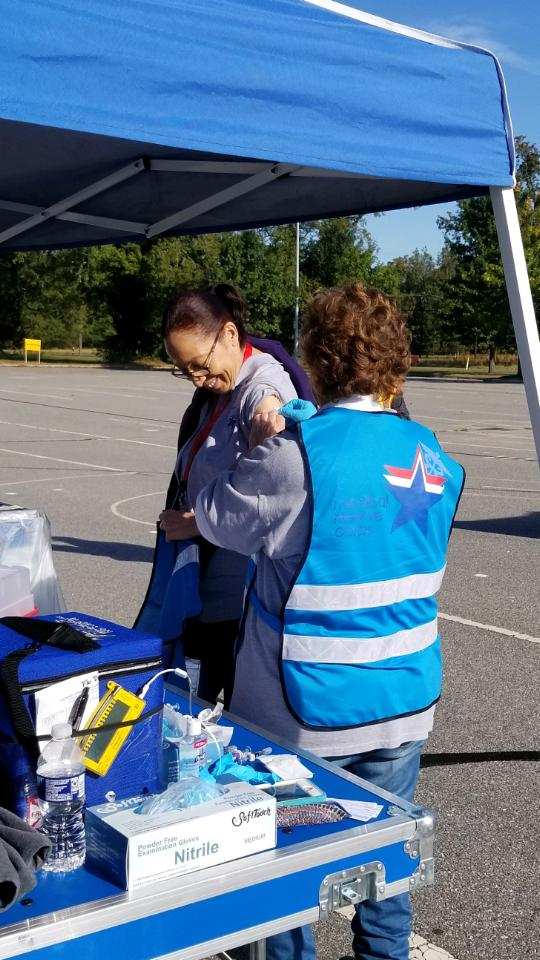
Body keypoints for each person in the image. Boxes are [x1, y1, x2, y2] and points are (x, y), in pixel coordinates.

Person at [194, 283, 465, 960]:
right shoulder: (433, 454)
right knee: (386, 868)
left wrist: (256, 445)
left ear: (316, 357)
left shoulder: (295, 453)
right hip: (404, 701)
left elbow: (215, 517)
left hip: (305, 712)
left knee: (287, 882)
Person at [136, 283, 313, 704]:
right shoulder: (224, 384)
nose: (197, 378)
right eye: (185, 369)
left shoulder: (262, 387)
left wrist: (195, 521)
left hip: (234, 577)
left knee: (209, 681)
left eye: (200, 364)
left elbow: (272, 495)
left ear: (230, 335)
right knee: (197, 670)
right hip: (210, 559)